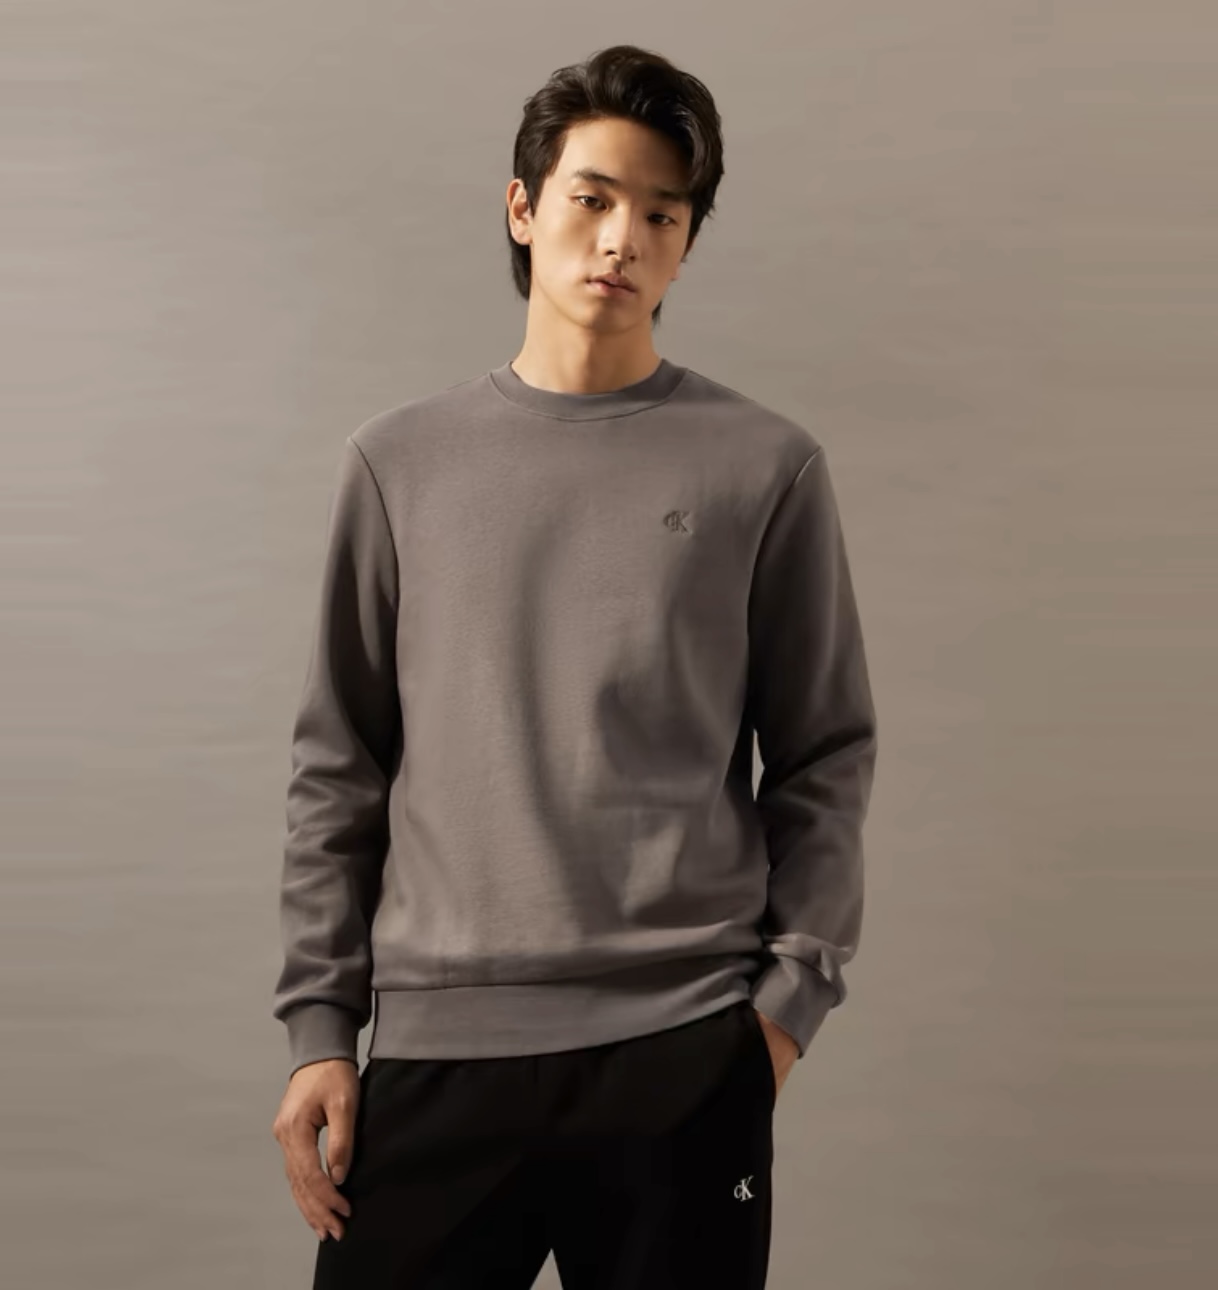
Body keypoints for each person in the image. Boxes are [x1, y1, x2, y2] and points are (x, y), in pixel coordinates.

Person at [270, 43, 877, 1289]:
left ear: (687, 242)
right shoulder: (398, 465)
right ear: (523, 206)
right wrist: (321, 1031)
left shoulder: (766, 469)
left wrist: (780, 1015)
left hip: (683, 1052)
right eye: (593, 199)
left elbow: (825, 755)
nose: (621, 240)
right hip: (439, 1050)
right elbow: (340, 767)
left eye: (662, 214)